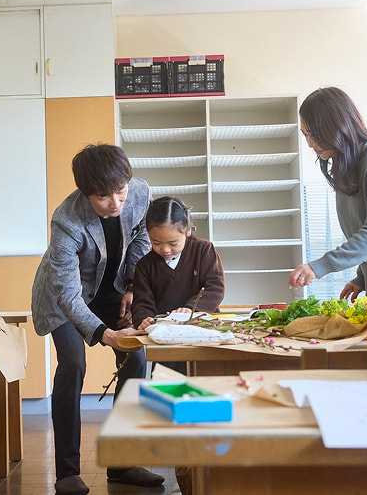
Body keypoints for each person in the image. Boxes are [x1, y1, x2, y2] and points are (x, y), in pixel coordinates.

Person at [31, 143, 163, 495]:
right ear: (85, 192)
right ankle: (67, 472)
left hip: (111, 288)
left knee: (136, 358)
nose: (115, 203)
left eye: (120, 191)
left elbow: (141, 236)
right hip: (64, 296)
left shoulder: (139, 192)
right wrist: (105, 334)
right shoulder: (66, 220)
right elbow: (68, 295)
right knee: (73, 363)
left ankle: (122, 463)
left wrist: (133, 285)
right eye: (103, 197)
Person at [288, 87, 367, 299]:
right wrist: (361, 278)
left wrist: (317, 267)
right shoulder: (347, 165)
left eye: (314, 134)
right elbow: (365, 231)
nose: (310, 143)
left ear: (337, 126)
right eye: (305, 135)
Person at [132, 196, 225, 330]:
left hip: (202, 325)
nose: (165, 249)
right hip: (164, 330)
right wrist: (144, 318)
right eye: (156, 243)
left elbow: (215, 288)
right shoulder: (144, 265)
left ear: (188, 230)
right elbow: (142, 302)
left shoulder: (203, 250)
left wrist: (191, 309)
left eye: (173, 243)